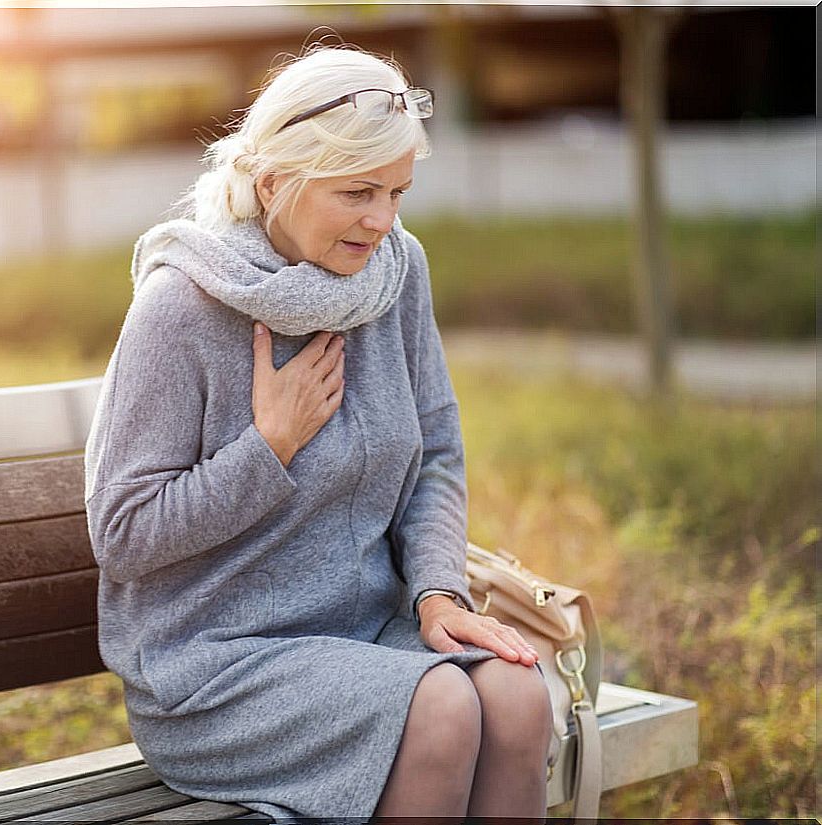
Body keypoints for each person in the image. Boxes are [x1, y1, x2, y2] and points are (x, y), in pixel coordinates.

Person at [83, 45, 554, 821]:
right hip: (218, 668)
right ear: (274, 183)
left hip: (365, 633)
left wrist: (437, 591)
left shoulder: (395, 272)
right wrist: (269, 446)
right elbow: (123, 532)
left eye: (398, 192)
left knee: (516, 693)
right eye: (358, 192)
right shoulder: (181, 307)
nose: (383, 221)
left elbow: (435, 448)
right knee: (441, 708)